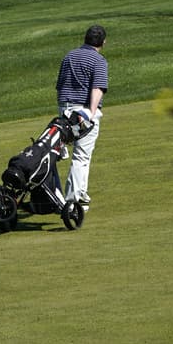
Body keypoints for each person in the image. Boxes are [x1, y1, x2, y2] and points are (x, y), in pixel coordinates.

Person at [56, 24, 108, 211]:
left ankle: (76, 193)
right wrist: (91, 113)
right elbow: (98, 88)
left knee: (60, 154)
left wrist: (62, 111)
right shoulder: (98, 60)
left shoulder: (69, 55)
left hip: (65, 109)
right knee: (81, 156)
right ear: (103, 42)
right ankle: (73, 202)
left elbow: (60, 86)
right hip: (83, 112)